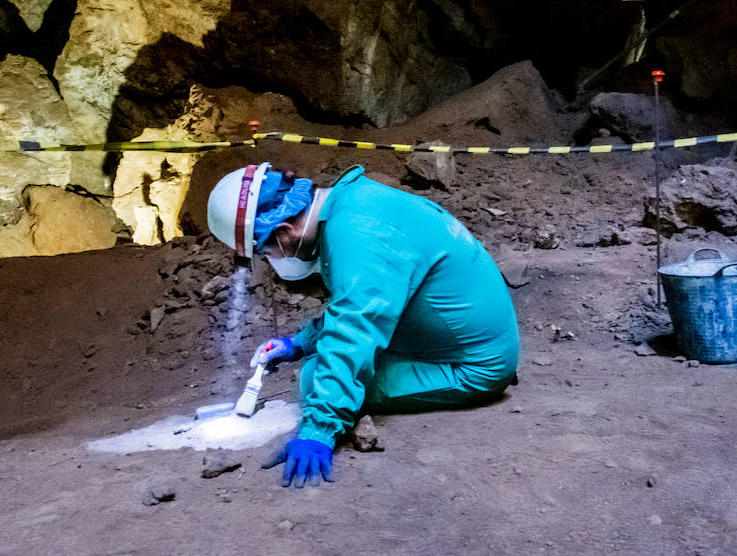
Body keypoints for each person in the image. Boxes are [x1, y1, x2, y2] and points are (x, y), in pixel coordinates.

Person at [206, 162, 520, 488]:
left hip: (474, 366)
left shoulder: (358, 233)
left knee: (315, 377)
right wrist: (300, 343)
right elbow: (365, 305)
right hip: (463, 339)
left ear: (285, 231)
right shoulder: (354, 205)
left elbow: (354, 327)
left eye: (265, 249)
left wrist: (319, 429)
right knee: (323, 362)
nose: (270, 257)